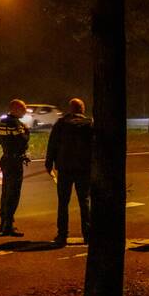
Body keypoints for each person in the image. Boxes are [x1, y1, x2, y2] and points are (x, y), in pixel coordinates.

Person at [45, 98, 93, 246]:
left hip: (65, 167)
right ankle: (87, 234)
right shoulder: (89, 124)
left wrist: (49, 163)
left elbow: (52, 144)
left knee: (63, 202)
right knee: (84, 201)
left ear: (70, 109)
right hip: (83, 168)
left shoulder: (61, 124)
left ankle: (62, 234)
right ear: (82, 109)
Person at [0, 99, 30, 236]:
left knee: (5, 191)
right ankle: (8, 225)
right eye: (23, 109)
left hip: (5, 158)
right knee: (14, 193)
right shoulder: (16, 124)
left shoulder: (2, 122)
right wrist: (27, 131)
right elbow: (23, 140)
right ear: (15, 109)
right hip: (15, 161)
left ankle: (3, 221)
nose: (25, 112)